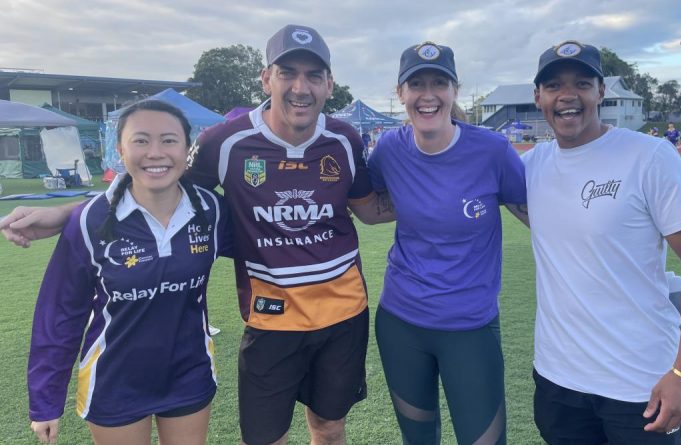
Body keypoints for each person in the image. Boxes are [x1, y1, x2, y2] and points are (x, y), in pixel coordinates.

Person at [3, 24, 392, 445]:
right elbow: (160, 186)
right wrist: (69, 214)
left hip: (343, 313)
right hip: (271, 319)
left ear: (329, 83)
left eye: (314, 75)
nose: (301, 87)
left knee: (331, 429)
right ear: (266, 78)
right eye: (287, 73)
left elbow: (368, 209)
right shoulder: (223, 142)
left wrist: (439, 203)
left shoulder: (345, 139)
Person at [521, 40, 681, 445]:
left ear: (601, 92)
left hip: (641, 386)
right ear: (538, 97)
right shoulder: (530, 167)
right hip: (558, 383)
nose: (567, 96)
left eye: (581, 83)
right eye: (554, 86)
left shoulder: (649, 157)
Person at [27, 99, 231, 445]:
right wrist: (45, 401)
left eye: (169, 140)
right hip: (114, 380)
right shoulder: (91, 220)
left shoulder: (210, 210)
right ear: (120, 150)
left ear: (187, 149)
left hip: (189, 372)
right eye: (141, 140)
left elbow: (265, 241)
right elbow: (60, 312)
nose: (156, 152)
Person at [368, 41, 527, 445]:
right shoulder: (388, 149)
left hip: (469, 327)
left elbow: (538, 216)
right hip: (400, 323)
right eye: (415, 83)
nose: (427, 94)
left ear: (455, 90)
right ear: (400, 93)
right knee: (418, 439)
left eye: (439, 82)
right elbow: (370, 208)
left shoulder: (492, 151)